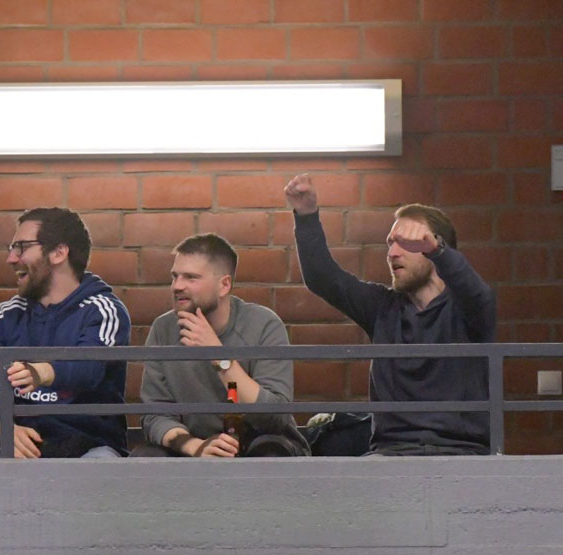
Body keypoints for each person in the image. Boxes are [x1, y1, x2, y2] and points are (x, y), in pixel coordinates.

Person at [284, 173, 497, 455]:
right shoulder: (382, 307)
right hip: (391, 454)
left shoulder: (468, 309)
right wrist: (306, 215)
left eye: (407, 242)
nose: (393, 253)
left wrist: (438, 251)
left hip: (462, 453)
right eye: (390, 243)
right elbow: (323, 278)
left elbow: (478, 295)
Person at [136, 233, 309, 457]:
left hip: (262, 442)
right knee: (145, 458)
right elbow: (156, 415)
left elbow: (274, 417)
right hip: (195, 446)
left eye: (191, 277)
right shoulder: (163, 329)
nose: (177, 286)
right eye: (175, 276)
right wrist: (195, 447)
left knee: (269, 452)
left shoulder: (263, 324)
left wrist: (219, 356)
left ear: (224, 285)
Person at [0, 207, 130, 459]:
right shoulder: (6, 314)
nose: (11, 258)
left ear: (59, 252)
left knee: (101, 467)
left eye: (21, 247)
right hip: (17, 448)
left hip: (89, 447)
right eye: (11, 248)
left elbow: (90, 367)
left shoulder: (103, 310)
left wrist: (41, 372)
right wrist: (1, 427)